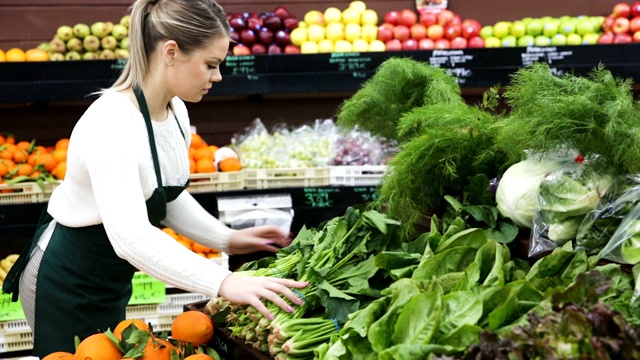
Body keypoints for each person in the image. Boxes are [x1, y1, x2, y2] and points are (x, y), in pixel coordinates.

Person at [2, 0, 307, 356]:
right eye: (211, 64)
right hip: (66, 283)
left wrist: (227, 239)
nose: (218, 76)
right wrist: (222, 281)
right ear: (171, 52)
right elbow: (130, 238)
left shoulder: (174, 110)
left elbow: (167, 196)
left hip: (108, 281)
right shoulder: (111, 123)